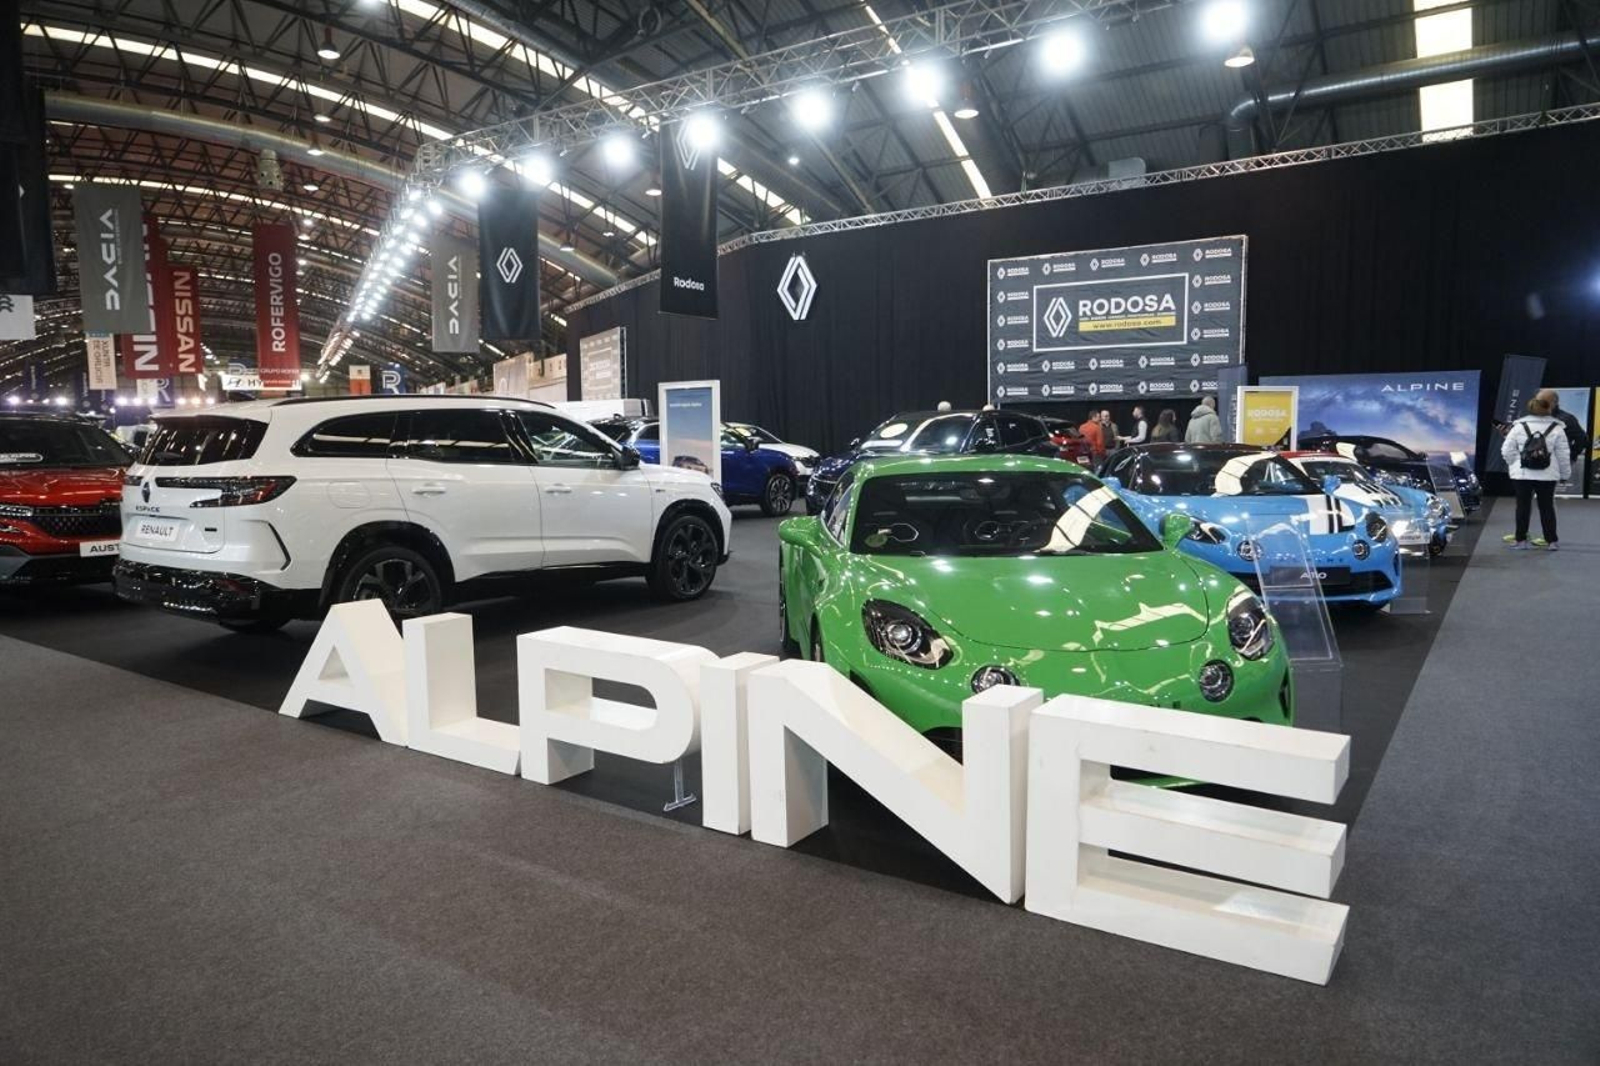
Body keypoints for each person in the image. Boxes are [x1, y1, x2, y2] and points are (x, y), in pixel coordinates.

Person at [1500, 394, 1570, 550]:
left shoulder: (1518, 427)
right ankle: (1552, 541)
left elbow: (1507, 450)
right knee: (1547, 507)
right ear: (1548, 409)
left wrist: (1515, 463)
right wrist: (1565, 475)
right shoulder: (1557, 428)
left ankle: (1521, 541)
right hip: (1548, 474)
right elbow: (1563, 454)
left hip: (1522, 474)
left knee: (1522, 506)